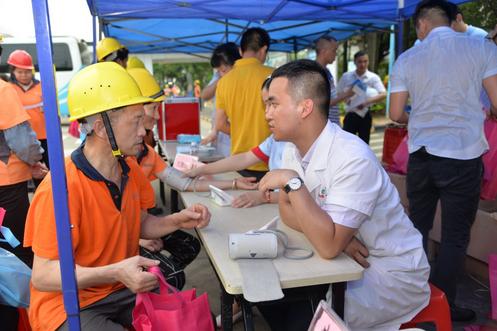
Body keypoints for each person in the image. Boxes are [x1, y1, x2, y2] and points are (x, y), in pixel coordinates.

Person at [23, 62, 211, 331]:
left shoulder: (129, 167)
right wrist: (115, 271)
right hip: (68, 304)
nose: (143, 131)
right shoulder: (61, 188)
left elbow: (139, 223)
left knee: (185, 317)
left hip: (117, 288)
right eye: (136, 121)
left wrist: (178, 220)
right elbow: (42, 276)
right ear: (101, 128)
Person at [258, 59, 430, 331]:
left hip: (385, 271)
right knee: (265, 295)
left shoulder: (352, 157)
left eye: (274, 104)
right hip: (345, 258)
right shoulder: (294, 149)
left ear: (305, 107)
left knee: (299, 316)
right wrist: (339, 238)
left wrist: (295, 185)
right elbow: (285, 211)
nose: (267, 113)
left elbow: (326, 246)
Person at [389, 0, 497, 322]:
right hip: (463, 156)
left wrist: (423, 113)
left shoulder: (407, 58)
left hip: (421, 156)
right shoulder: (481, 49)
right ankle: (443, 307)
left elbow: (395, 114)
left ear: (422, 24)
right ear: (452, 21)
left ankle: (415, 301)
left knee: (417, 227)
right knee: (454, 236)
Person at [127, 67, 256, 287]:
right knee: (173, 275)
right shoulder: (109, 164)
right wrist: (137, 239)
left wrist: (234, 183)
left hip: (138, 228)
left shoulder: (144, 153)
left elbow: (184, 183)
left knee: (187, 249)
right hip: (124, 244)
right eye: (152, 109)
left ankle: (153, 295)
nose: (159, 117)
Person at [0, 42, 46, 331]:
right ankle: (30, 318)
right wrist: (36, 161)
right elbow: (20, 139)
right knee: (18, 251)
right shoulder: (3, 91)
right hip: (7, 184)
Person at [187, 78, 286, 208]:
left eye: (273, 105)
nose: (267, 114)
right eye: (266, 105)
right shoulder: (275, 139)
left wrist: (265, 197)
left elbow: (304, 193)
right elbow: (245, 158)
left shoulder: (308, 146)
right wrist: (201, 170)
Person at [215, 28, 273, 181]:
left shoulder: (224, 82)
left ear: (241, 51)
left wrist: (242, 132)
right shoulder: (274, 76)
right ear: (263, 50)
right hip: (270, 161)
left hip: (239, 162)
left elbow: (220, 124)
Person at [8, 50, 49, 184]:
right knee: (25, 177)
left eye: (27, 72)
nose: (24, 75)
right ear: (12, 72)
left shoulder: (43, 87)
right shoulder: (9, 89)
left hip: (44, 139)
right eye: (20, 72)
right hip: (22, 141)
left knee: (46, 175)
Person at [200, 42, 241, 157]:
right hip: (221, 138)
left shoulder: (241, 83)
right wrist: (214, 131)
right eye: (218, 71)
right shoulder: (220, 79)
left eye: (223, 70)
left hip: (235, 142)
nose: (220, 74)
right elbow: (204, 95)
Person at [337, 51, 386, 144]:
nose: (363, 64)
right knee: (346, 144)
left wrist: (366, 102)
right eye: (360, 61)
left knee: (364, 144)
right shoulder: (346, 77)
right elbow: (339, 93)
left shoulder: (373, 77)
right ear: (354, 62)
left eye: (365, 61)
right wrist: (346, 99)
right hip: (351, 114)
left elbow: (383, 94)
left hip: (365, 115)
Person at [314, 36, 354, 126]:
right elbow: (320, 104)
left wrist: (345, 95)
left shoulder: (326, 71)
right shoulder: (315, 72)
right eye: (334, 50)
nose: (336, 54)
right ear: (324, 51)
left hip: (331, 124)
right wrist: (345, 95)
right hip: (324, 127)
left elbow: (331, 97)